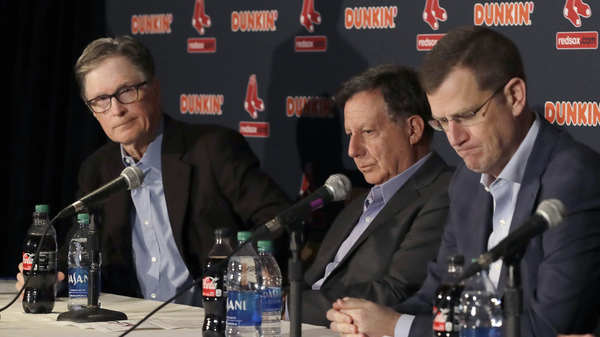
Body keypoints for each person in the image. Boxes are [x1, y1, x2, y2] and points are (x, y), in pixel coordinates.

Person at [327, 25, 600, 336]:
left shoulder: (575, 179)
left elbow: (548, 327)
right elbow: (435, 299)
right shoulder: (467, 182)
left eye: (467, 115)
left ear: (514, 96)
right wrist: (368, 320)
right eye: (443, 121)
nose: (455, 138)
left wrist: (397, 327)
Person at [16, 35, 291, 306]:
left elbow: (280, 220)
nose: (117, 110)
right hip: (137, 321)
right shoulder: (97, 170)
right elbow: (78, 247)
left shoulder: (211, 149)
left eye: (126, 91)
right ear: (92, 110)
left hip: (214, 318)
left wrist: (244, 276)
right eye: (101, 99)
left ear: (155, 89)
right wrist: (50, 273)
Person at [298, 64, 453, 326]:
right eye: (349, 135)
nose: (352, 150)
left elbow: (394, 292)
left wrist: (284, 306)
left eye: (367, 132)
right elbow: (315, 281)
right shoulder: (357, 206)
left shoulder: (445, 193)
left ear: (413, 129)